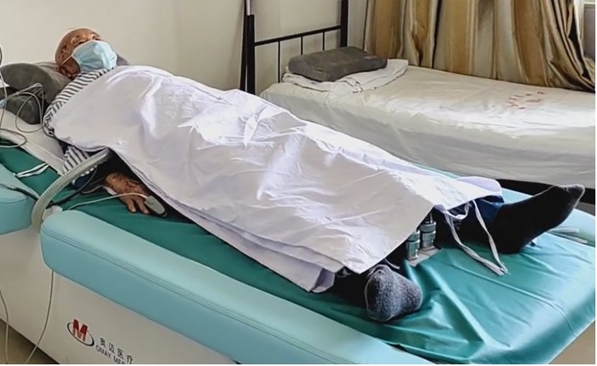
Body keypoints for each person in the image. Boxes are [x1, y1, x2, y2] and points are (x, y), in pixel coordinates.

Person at [45, 28, 586, 322]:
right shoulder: (68, 99)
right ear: (65, 67)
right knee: (261, 191)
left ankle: (491, 220)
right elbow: (79, 141)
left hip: (243, 117)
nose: (85, 44)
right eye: (73, 44)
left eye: (90, 35)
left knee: (343, 155)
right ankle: (369, 276)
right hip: (187, 145)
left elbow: (200, 97)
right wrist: (114, 179)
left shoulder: (145, 70)